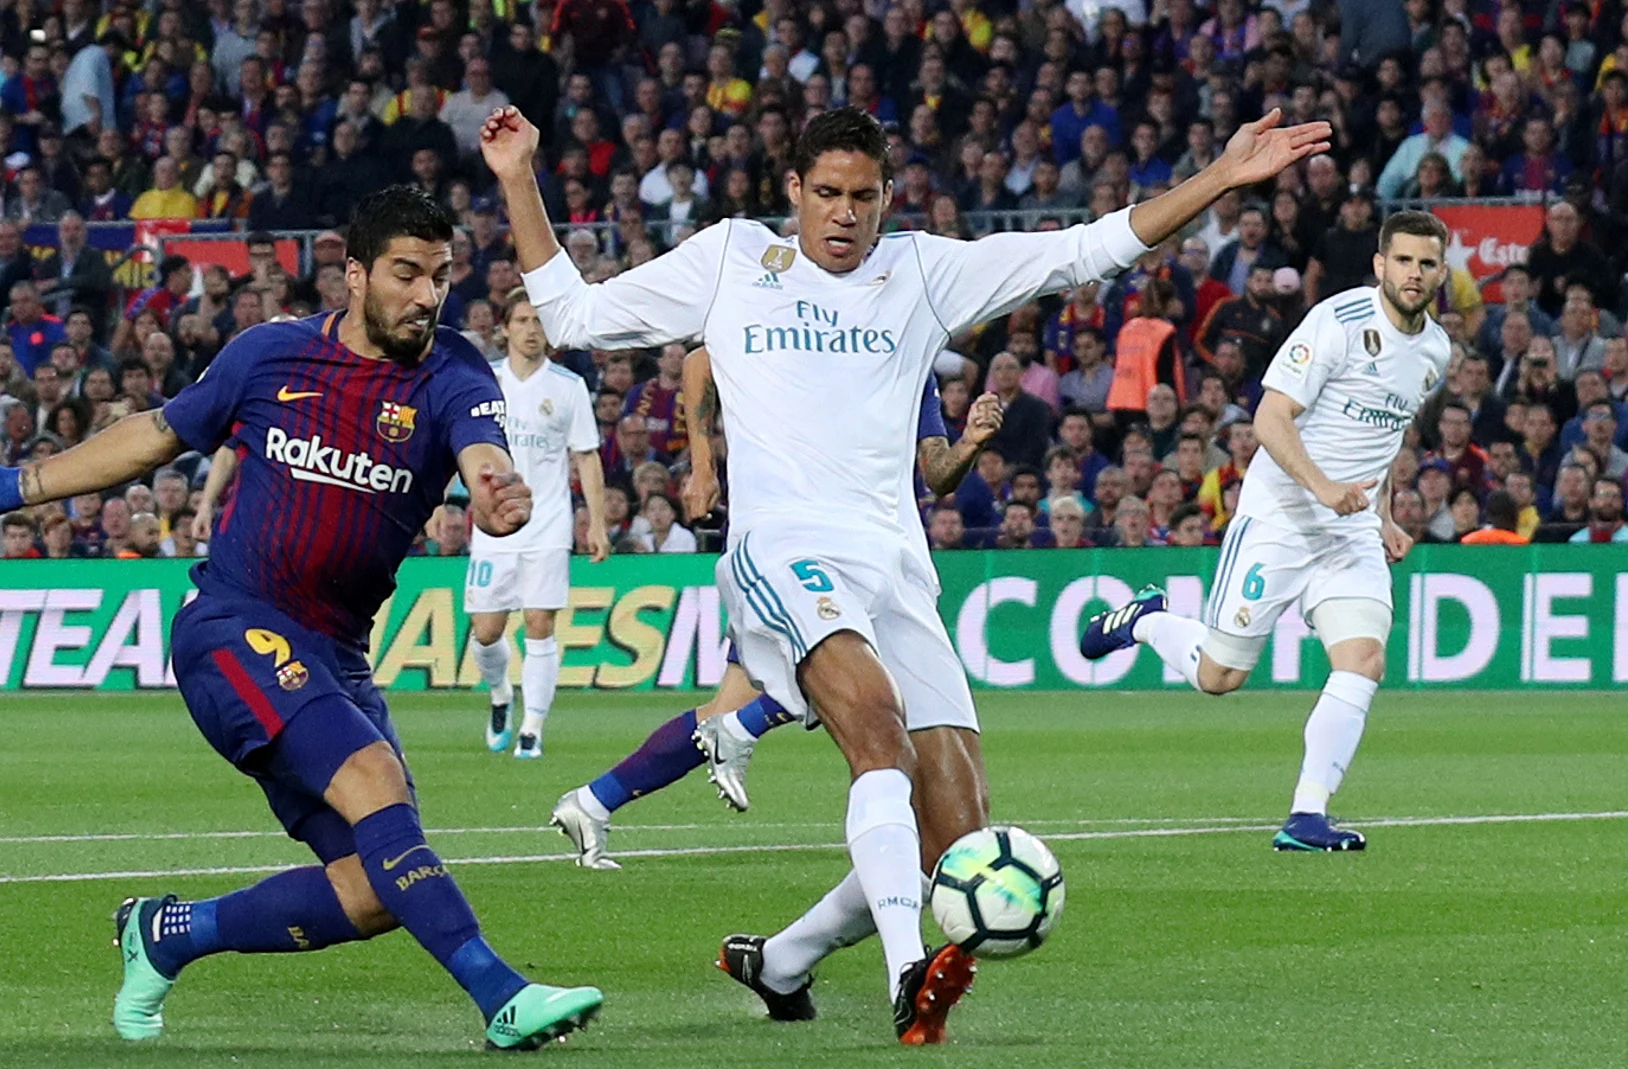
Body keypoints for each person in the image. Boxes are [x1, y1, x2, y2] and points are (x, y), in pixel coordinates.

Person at [486, 102, 1326, 1042]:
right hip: (783, 551)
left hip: (894, 567)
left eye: (864, 197)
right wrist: (520, 176)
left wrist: (1217, 177)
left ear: (888, 198)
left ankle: (784, 959)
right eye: (827, 196)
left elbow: (1086, 249)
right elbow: (572, 314)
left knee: (955, 829)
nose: (845, 216)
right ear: (793, 194)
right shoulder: (728, 259)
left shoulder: (921, 270)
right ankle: (905, 968)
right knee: (877, 736)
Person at [0, 186, 601, 1051]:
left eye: (439, 276)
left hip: (337, 658)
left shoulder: (455, 370)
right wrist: (17, 485)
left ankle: (168, 932)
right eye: (406, 273)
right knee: (374, 783)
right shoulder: (270, 356)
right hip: (233, 626)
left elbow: (479, 445)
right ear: (354, 274)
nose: (427, 295)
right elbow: (158, 434)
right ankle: (502, 994)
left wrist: (495, 486)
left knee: (374, 887)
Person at [1081, 211, 1453, 853]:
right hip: (1281, 516)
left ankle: (1307, 816)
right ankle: (1144, 620)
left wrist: (1384, 514)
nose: (1414, 274)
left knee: (1363, 658)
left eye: (1426, 264)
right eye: (1404, 261)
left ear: (1441, 272)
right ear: (1380, 265)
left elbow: (1385, 437)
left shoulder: (1434, 352)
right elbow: (1271, 418)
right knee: (1219, 677)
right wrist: (1322, 488)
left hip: (1352, 529)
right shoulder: (1337, 325)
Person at [551, 354, 1002, 865]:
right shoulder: (810, 328)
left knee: (731, 705)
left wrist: (969, 442)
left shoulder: (906, 356)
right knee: (840, 676)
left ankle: (592, 802)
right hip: (788, 548)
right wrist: (703, 465)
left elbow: (937, 474)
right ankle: (745, 732)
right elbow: (702, 361)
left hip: (869, 558)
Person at [464, 294, 610, 759]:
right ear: (505, 329)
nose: (531, 330)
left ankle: (532, 728)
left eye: (539, 322)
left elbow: (585, 456)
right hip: (492, 526)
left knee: (539, 622)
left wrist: (598, 523)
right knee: (486, 631)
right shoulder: (482, 381)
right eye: (522, 321)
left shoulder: (567, 387)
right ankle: (501, 694)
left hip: (547, 522)